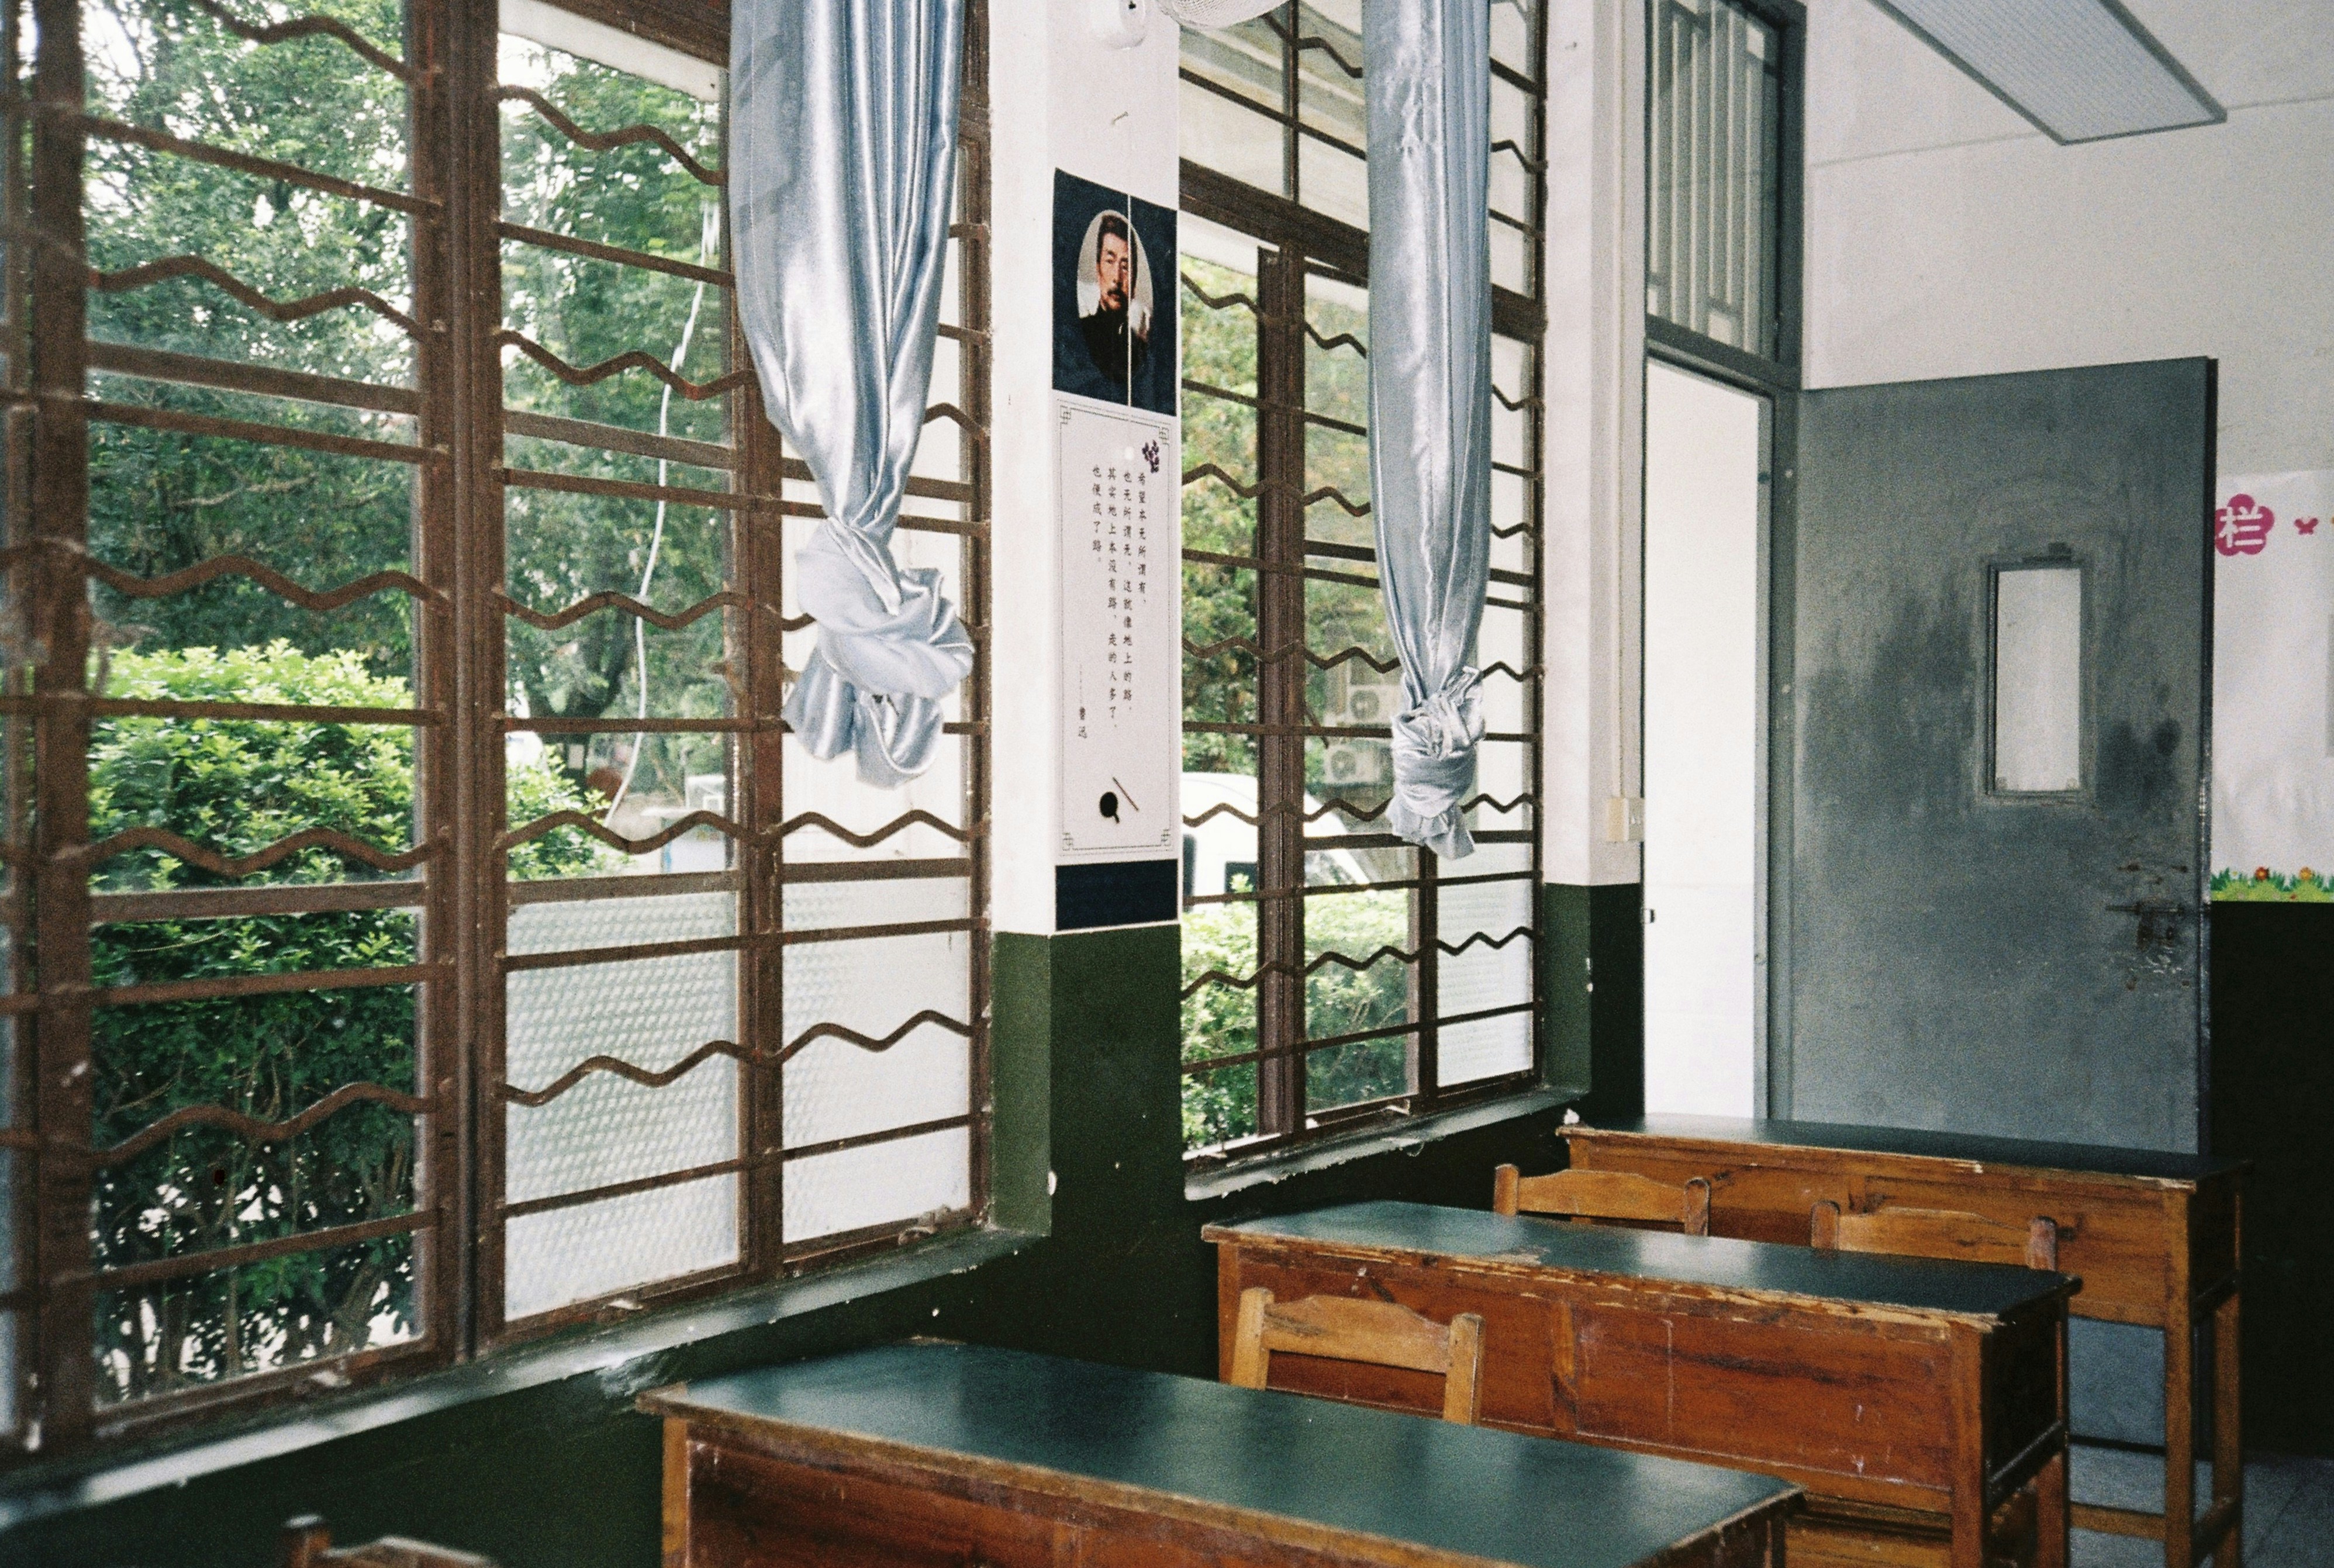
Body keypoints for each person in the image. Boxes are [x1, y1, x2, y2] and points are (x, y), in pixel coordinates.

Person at [1079, 213, 1149, 390]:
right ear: (1098, 270)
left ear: (1134, 281)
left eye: (1125, 267)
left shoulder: (1140, 351)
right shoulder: (1083, 333)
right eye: (1110, 262)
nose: (1117, 278)